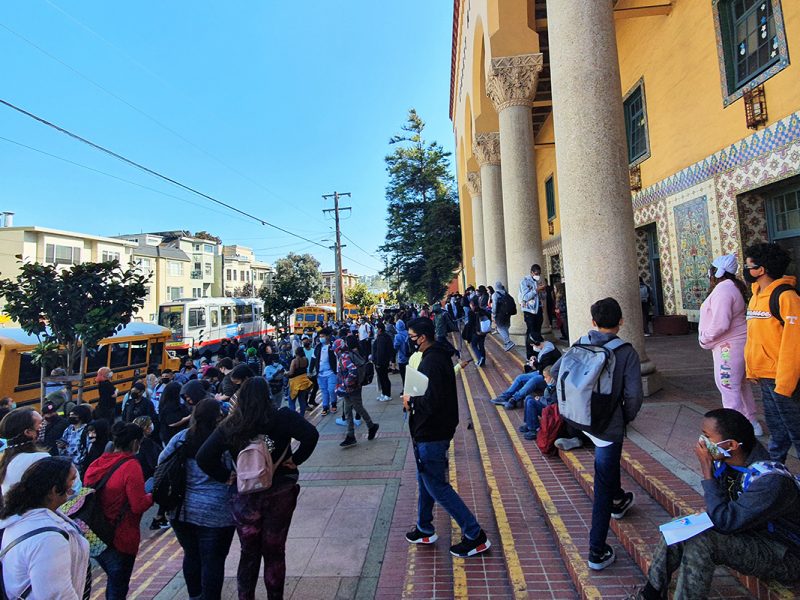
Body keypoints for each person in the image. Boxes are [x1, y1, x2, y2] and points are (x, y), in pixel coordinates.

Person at [632, 408, 800, 600]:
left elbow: (725, 522)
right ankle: (650, 593)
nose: (701, 443)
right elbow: (723, 511)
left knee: (702, 542)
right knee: (681, 526)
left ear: (731, 445)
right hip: (751, 533)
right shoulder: (727, 463)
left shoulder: (769, 481)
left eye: (707, 437)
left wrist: (707, 470)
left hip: (785, 555)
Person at [196, 377, 319, 600]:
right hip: (280, 490)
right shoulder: (282, 417)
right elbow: (311, 435)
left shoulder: (231, 425)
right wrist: (295, 459)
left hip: (244, 496)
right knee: (275, 551)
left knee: (248, 552)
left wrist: (226, 476)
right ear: (267, 395)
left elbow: (203, 456)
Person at [551, 297, 643, 571]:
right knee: (602, 483)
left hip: (580, 419)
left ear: (593, 321)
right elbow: (634, 395)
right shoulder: (626, 352)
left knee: (608, 470)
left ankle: (618, 499)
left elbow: (555, 371)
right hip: (606, 425)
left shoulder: (580, 343)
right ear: (621, 321)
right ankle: (596, 550)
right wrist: (624, 418)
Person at [403, 318, 491, 557]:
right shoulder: (436, 356)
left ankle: (475, 535)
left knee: (437, 486)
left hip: (431, 432)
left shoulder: (431, 362)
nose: (410, 341)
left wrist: (410, 401)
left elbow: (430, 401)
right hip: (432, 431)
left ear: (422, 337)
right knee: (425, 480)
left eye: (411, 336)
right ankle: (424, 527)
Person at [159, 399, 235, 600]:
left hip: (181, 509)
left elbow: (162, 462)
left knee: (191, 555)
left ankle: (194, 596)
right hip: (216, 511)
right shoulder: (224, 441)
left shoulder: (181, 438)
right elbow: (236, 469)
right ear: (218, 417)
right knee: (213, 560)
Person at [0, 457, 90, 599]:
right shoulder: (49, 539)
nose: (76, 483)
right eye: (72, 479)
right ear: (54, 490)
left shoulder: (21, 519)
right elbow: (56, 595)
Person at [743, 242, 800, 464]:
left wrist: (785, 383)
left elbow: (794, 344)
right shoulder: (756, 295)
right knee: (778, 430)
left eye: (748, 266)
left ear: (761, 269)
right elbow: (755, 337)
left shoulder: (787, 297)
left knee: (796, 430)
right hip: (766, 375)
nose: (745, 271)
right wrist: (752, 370)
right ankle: (774, 469)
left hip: (783, 379)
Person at [84, 422, 154, 600]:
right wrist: (153, 495)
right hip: (121, 537)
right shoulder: (131, 466)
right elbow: (138, 505)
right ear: (135, 443)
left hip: (96, 535)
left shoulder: (97, 463)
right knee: (118, 586)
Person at [699, 254, 762, 435]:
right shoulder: (731, 287)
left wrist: (705, 338)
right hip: (734, 344)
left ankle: (735, 430)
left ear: (716, 272)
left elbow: (721, 323)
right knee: (739, 385)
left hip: (728, 346)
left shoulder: (723, 290)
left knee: (728, 386)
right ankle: (751, 422)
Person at [335, 336, 379, 448]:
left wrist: (347, 383)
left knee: (357, 407)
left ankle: (370, 426)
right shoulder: (352, 353)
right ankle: (351, 435)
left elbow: (353, 370)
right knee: (348, 410)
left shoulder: (344, 357)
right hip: (351, 387)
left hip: (351, 388)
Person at [0, 408, 50, 496]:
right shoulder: (40, 458)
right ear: (28, 432)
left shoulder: (5, 460)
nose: (43, 425)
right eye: (41, 423)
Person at [520, 366, 557, 440]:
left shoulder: (556, 388)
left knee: (531, 402)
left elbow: (551, 403)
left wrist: (540, 399)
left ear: (553, 378)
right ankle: (528, 423)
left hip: (550, 411)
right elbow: (546, 398)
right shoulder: (550, 386)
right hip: (546, 407)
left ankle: (534, 429)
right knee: (528, 397)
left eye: (546, 377)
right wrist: (541, 398)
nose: (544, 379)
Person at [519, 264, 546, 359]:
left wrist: (543, 291)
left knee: (538, 332)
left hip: (538, 309)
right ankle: (530, 355)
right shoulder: (524, 282)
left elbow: (543, 297)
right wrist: (536, 290)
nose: (538, 275)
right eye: (536, 273)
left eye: (539, 274)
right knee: (531, 332)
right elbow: (525, 297)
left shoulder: (539, 281)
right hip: (529, 310)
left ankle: (537, 352)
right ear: (531, 272)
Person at [314, 328, 338, 416]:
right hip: (320, 374)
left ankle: (334, 403)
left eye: (323, 336)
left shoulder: (333, 346)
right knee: (324, 391)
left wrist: (337, 371)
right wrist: (311, 370)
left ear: (328, 336)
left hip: (331, 372)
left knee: (331, 389)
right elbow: (313, 359)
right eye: (320, 336)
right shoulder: (318, 347)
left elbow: (337, 358)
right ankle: (325, 407)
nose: (321, 338)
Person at [159, 381, 191, 445]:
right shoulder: (169, 407)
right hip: (172, 438)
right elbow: (172, 423)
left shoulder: (166, 403)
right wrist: (189, 417)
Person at [287, 347, 312, 416]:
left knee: (291, 401)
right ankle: (301, 416)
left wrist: (285, 373)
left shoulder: (294, 361)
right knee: (302, 401)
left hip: (294, 383)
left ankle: (293, 417)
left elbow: (291, 373)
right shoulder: (306, 359)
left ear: (296, 353)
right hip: (303, 382)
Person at [372, 322, 394, 402]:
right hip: (383, 361)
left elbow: (380, 352)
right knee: (382, 378)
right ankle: (384, 393)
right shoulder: (383, 337)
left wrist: (378, 362)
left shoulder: (382, 338)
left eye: (376, 328)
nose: (375, 330)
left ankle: (387, 394)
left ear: (380, 329)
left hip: (381, 362)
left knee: (384, 378)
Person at [464, 298, 489, 367]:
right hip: (483, 332)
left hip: (475, 332)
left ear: (472, 304)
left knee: (474, 345)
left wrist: (468, 336)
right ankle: (483, 362)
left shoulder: (471, 312)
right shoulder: (482, 310)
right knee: (481, 346)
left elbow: (470, 324)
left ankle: (480, 358)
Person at [491, 281, 515, 351]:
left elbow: (494, 306)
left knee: (500, 328)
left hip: (499, 314)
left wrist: (493, 314)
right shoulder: (506, 293)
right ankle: (506, 344)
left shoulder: (495, 295)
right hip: (507, 313)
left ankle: (508, 342)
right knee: (505, 327)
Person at [393, 319, 411, 385]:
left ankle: (405, 388)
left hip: (402, 358)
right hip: (410, 357)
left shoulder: (397, 336)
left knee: (403, 376)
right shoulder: (408, 333)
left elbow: (395, 347)